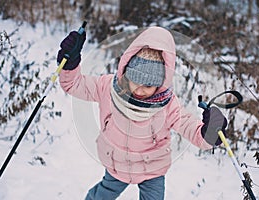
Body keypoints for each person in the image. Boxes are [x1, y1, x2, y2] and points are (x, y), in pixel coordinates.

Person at [57, 26, 228, 200]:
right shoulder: (108, 88)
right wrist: (70, 63)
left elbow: (188, 126)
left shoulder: (167, 104)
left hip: (152, 169)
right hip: (118, 164)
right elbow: (74, 85)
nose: (140, 89)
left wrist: (210, 132)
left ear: (160, 83)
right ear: (127, 72)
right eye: (135, 80)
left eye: (148, 85)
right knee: (101, 196)